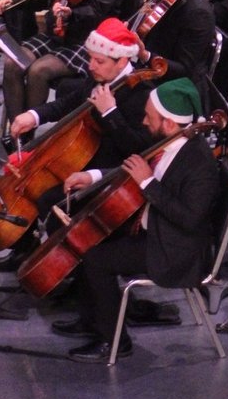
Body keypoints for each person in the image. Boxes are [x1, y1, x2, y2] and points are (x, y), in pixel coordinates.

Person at [51, 77, 219, 363]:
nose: (143, 121)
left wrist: (148, 183)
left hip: (175, 250)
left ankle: (114, 342)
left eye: (149, 117)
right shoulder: (169, 141)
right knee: (85, 237)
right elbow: (132, 168)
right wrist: (92, 176)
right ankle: (92, 320)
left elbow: (189, 219)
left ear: (168, 122)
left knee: (95, 258)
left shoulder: (199, 163)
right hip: (156, 229)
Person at [0, 18, 158, 274]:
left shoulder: (141, 93)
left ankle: (73, 271)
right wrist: (34, 115)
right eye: (91, 59)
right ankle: (25, 251)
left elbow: (137, 149)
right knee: (34, 182)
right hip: (84, 159)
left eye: (99, 61)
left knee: (49, 199)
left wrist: (111, 113)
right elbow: (67, 103)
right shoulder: (98, 77)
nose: (91, 66)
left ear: (121, 61)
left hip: (111, 174)